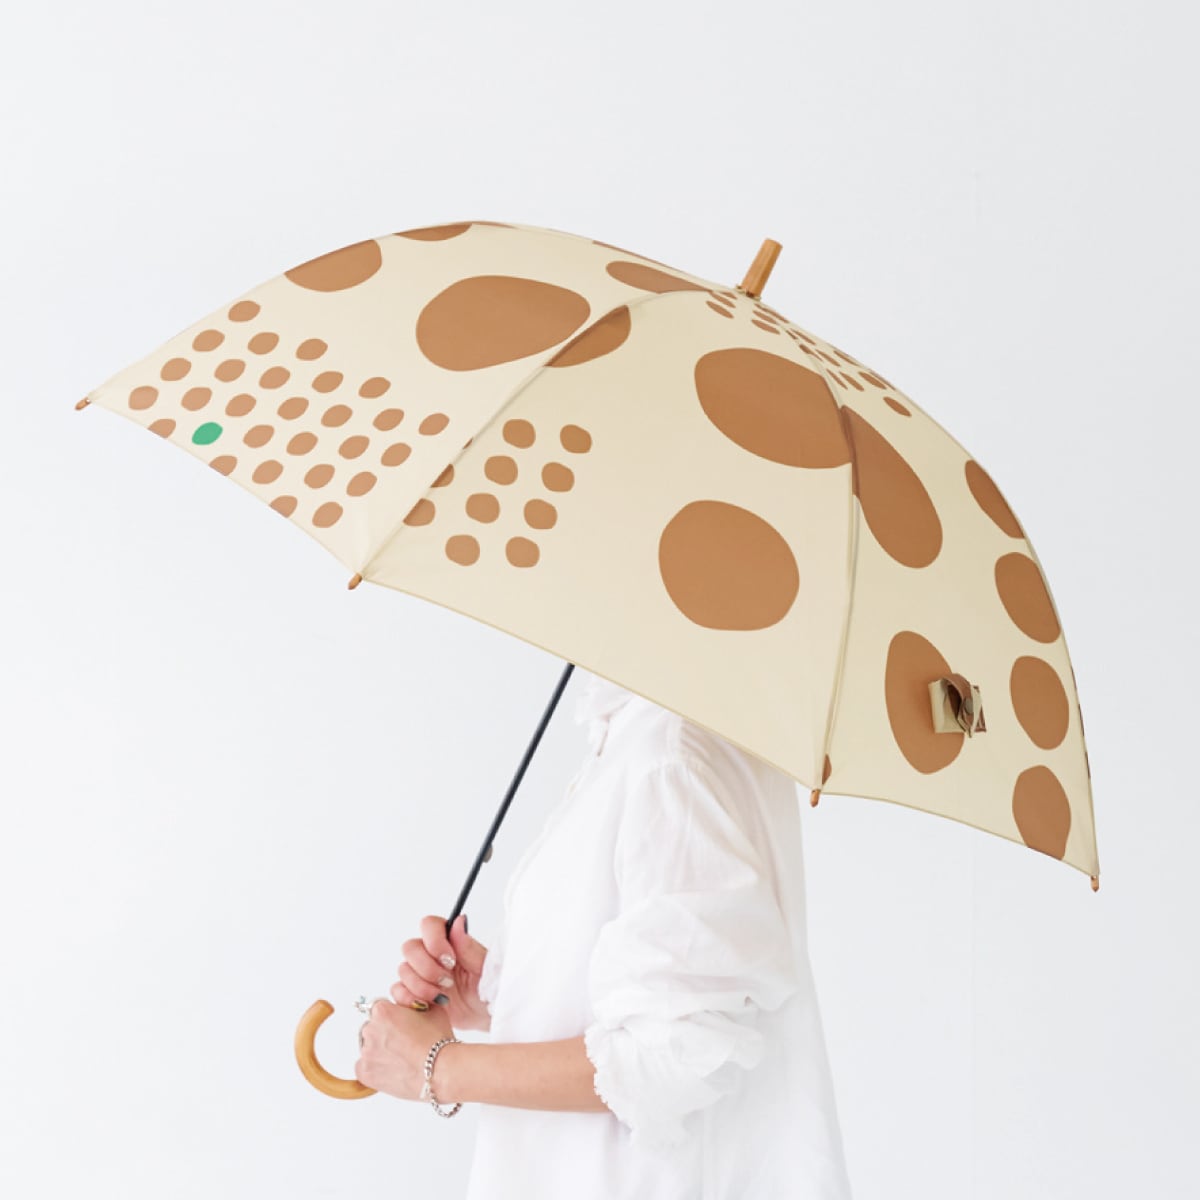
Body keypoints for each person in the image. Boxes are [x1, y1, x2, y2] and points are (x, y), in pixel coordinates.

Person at [355, 669, 854, 1199]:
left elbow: (674, 1052)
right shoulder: (644, 733)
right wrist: (498, 995)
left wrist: (438, 1067)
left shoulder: (673, 756)